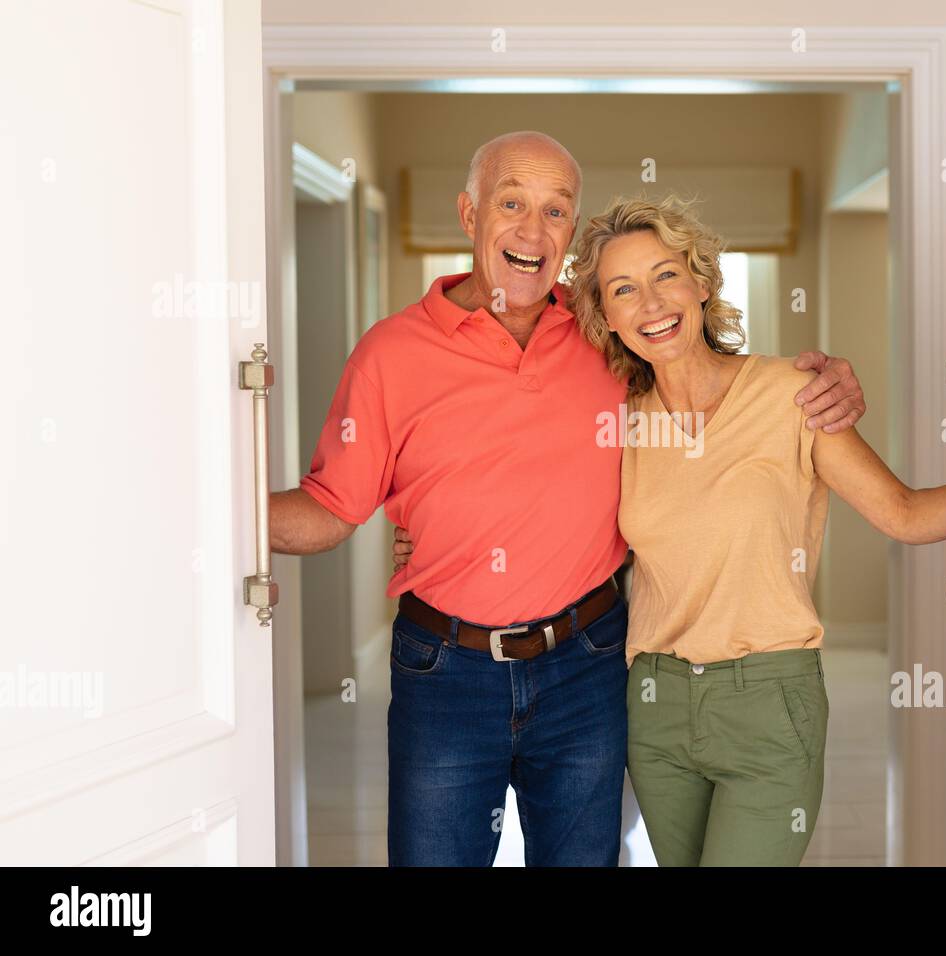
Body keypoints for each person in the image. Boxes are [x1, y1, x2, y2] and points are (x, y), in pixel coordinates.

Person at [269, 130, 867, 867]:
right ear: (468, 213)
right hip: (444, 672)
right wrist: (207, 512)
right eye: (511, 203)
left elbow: (710, 390)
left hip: (585, 664)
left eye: (556, 211)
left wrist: (828, 385)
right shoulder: (389, 353)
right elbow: (330, 509)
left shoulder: (604, 334)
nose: (532, 229)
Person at [395, 192, 946, 866]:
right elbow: (516, 481)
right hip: (654, 705)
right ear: (605, 317)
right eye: (624, 289)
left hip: (770, 697)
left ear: (703, 281)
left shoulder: (791, 396)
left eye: (666, 275)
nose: (652, 304)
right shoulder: (615, 418)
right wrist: (429, 535)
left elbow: (910, 514)